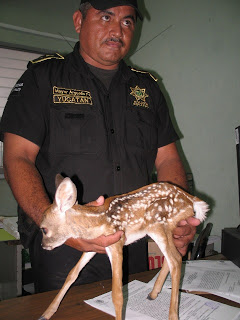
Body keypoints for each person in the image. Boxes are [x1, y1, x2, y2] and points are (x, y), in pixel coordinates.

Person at [0, 0, 200, 293]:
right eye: (106, 16)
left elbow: (168, 160)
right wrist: (61, 227)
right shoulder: (42, 78)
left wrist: (175, 217)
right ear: (79, 21)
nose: (117, 29)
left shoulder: (147, 89)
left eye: (127, 21)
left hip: (131, 242)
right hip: (66, 249)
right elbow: (17, 158)